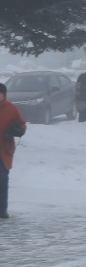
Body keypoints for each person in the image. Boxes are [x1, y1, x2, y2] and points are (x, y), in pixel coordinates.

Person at [0, 82, 25, 218]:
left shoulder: (11, 108)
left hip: (4, 150)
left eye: (0, 94)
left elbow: (21, 124)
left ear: (4, 95)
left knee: (2, 179)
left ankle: (2, 209)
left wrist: (19, 130)